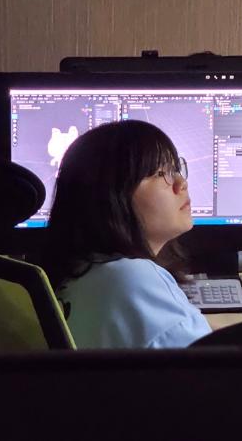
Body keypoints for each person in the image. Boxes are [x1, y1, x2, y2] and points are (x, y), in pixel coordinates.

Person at [41, 120, 211, 348]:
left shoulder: (84, 273)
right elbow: (209, 364)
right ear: (112, 197)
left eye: (176, 169)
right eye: (161, 173)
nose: (181, 183)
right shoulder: (132, 278)